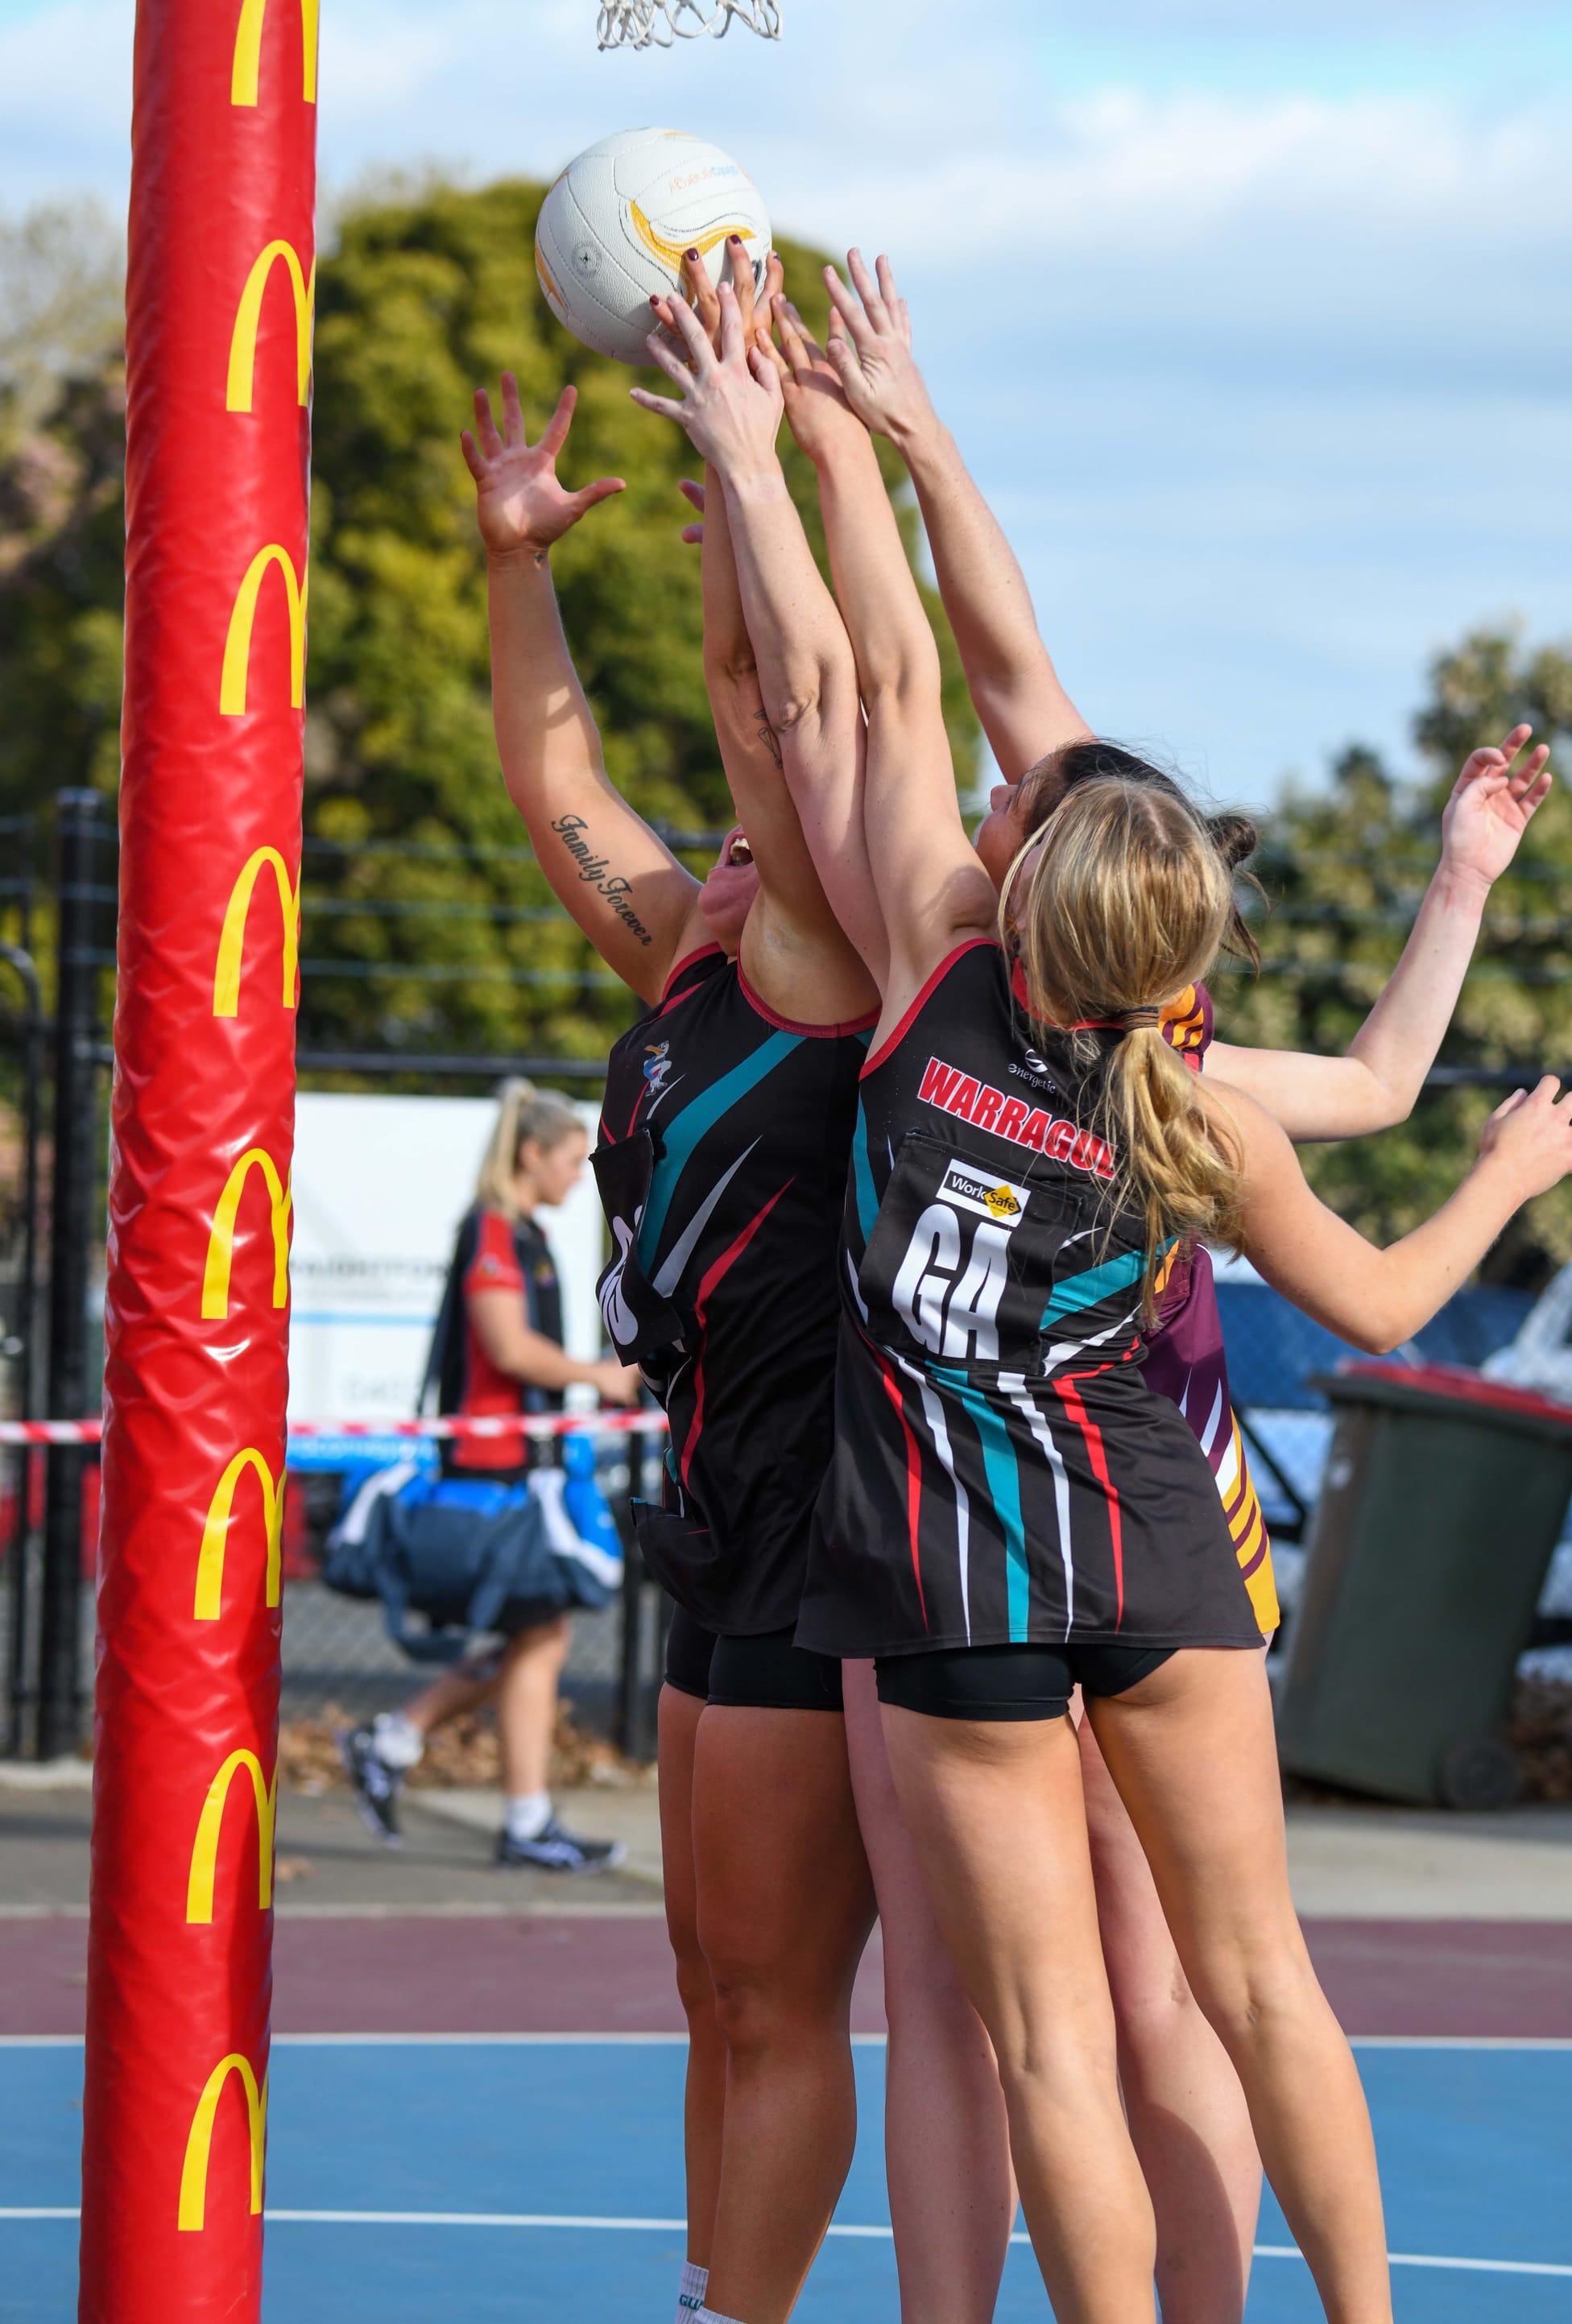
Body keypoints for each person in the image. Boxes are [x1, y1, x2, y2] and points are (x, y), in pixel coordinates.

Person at [639, 278, 1572, 2324]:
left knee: (1046, 2039)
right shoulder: (1194, 1101)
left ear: (1026, 887)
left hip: (955, 1573)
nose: (997, 786)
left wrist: (773, 440)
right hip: (1154, 1538)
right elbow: (1376, 1302)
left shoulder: (925, 992)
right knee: (1258, 1978)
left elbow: (854, 688)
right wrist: (1501, 1171)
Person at [458, 275, 883, 2324]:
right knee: (704, 1974)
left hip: (827, 1528)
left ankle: (749, 2310)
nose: (709, 839)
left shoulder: (811, 976)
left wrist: (751, 457)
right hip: (711, 1517)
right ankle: (722, 2285)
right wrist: (512, 563)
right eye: (701, 839)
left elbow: (769, 697)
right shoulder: (673, 983)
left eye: (741, 824)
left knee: (782, 1985)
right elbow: (551, 763)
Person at [341, 1082, 637, 1872]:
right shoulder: (496, 1233)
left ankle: (402, 1743)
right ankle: (515, 1813)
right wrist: (597, 1376)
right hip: (491, 1472)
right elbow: (505, 1348)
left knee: (534, 1634)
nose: (581, 1175)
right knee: (539, 1634)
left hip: (516, 1465)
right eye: (571, 1160)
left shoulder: (525, 1236)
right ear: (530, 1155)